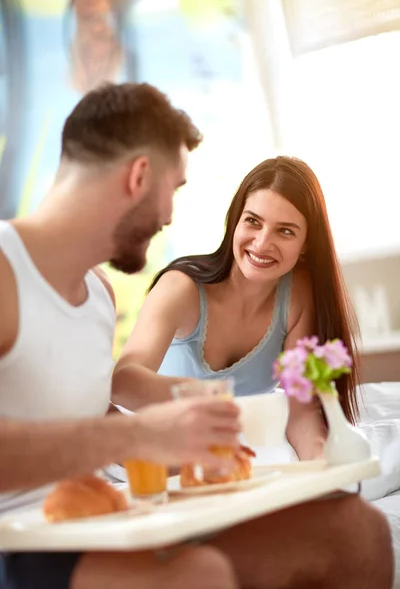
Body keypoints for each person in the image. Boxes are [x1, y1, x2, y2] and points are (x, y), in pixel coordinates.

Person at [0, 82, 393, 589]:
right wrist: (142, 433)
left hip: (109, 517)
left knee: (355, 533)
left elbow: (85, 423)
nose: (168, 217)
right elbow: (113, 432)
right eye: (175, 189)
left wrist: (195, 451)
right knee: (200, 575)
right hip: (21, 541)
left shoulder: (98, 295)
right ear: (140, 176)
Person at [112, 156, 359, 460]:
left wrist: (321, 472)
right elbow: (122, 382)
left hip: (246, 455)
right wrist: (208, 399)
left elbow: (300, 410)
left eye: (285, 231)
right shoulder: (180, 289)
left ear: (306, 244)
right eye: (253, 221)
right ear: (235, 220)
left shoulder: (298, 294)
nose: (261, 243)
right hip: (164, 455)